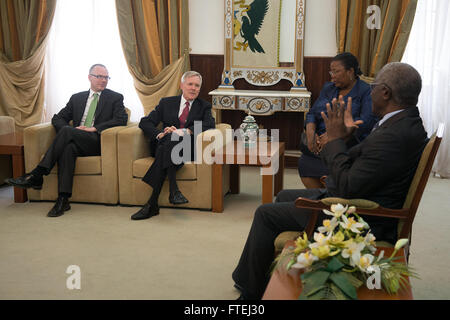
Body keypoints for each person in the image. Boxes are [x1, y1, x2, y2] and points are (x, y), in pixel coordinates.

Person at [232, 62, 428, 300]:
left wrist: (335, 139)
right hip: (362, 197)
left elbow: (347, 186)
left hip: (363, 215)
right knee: (283, 196)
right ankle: (253, 278)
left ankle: (250, 294)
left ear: (385, 92)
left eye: (374, 86)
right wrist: (347, 137)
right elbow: (368, 162)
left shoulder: (394, 135)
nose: (371, 91)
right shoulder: (404, 122)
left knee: (265, 213)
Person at [6, 64, 128, 217]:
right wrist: (71, 131)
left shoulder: (115, 97)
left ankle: (37, 174)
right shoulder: (77, 98)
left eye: (106, 77)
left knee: (66, 133)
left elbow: (122, 119)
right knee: (67, 148)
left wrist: (94, 128)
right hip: (76, 140)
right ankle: (63, 199)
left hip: (97, 141)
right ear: (89, 77)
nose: (103, 80)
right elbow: (58, 118)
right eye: (99, 76)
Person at [130, 71, 216, 220]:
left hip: (187, 148)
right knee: (169, 141)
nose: (193, 88)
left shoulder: (204, 106)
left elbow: (210, 124)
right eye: (190, 84)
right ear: (181, 85)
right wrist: (160, 134)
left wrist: (185, 131)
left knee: (170, 142)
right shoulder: (166, 103)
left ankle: (153, 203)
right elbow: (145, 122)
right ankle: (173, 191)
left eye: (197, 86)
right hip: (165, 144)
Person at [299, 52, 377, 189]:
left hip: (348, 143)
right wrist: (311, 132)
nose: (332, 76)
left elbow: (365, 123)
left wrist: (333, 136)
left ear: (350, 71)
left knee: (318, 159)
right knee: (304, 159)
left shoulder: (365, 91)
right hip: (320, 142)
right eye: (331, 72)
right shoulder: (328, 88)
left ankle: (334, 195)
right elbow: (312, 113)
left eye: (336, 72)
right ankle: (322, 199)